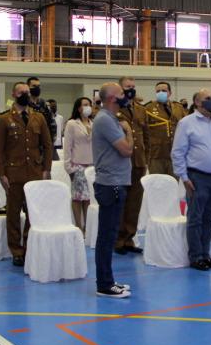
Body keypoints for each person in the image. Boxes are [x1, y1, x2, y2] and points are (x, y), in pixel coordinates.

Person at [0, 82, 52, 267]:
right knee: (13, 213)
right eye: (21, 92)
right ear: (14, 94)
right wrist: (1, 173)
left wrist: (46, 169)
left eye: (27, 92)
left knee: (33, 213)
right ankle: (16, 250)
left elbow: (47, 145)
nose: (25, 95)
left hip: (34, 172)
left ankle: (28, 246)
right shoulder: (4, 119)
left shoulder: (38, 118)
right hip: (14, 173)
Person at [172, 88, 211, 271]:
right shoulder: (187, 123)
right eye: (207, 98)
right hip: (196, 176)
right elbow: (178, 151)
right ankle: (196, 256)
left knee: (210, 218)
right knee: (195, 218)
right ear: (197, 102)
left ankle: (206, 254)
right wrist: (183, 176)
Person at [91, 82, 135, 298]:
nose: (125, 96)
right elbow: (126, 150)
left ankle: (107, 279)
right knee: (107, 235)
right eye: (121, 94)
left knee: (109, 234)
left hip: (115, 182)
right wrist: (129, 132)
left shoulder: (110, 119)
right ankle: (104, 284)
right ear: (111, 99)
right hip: (110, 184)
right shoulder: (105, 120)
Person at [115, 76, 148, 255]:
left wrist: (146, 157)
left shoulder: (140, 110)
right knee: (121, 201)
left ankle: (129, 239)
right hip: (122, 162)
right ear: (120, 89)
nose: (131, 89)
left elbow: (146, 135)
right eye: (128, 86)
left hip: (138, 162)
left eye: (133, 86)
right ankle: (118, 240)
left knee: (134, 202)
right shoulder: (115, 109)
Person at [63, 97, 94, 232]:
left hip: (92, 166)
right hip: (77, 165)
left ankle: (88, 226)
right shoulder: (71, 124)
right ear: (79, 108)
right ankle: (78, 227)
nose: (88, 107)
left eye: (89, 105)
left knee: (89, 198)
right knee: (77, 198)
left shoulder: (94, 123)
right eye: (85, 105)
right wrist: (69, 168)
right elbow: (67, 147)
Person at [144, 82, 186, 176]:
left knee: (174, 184)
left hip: (175, 154)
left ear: (170, 93)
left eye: (164, 90)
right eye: (158, 91)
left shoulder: (178, 108)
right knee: (157, 184)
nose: (160, 93)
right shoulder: (149, 108)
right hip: (156, 154)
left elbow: (185, 128)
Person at [26, 76, 58, 158]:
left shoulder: (43, 103)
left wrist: (50, 141)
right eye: (34, 86)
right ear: (27, 87)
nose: (37, 88)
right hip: (29, 144)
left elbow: (52, 123)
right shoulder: (24, 104)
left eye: (38, 86)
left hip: (44, 144)